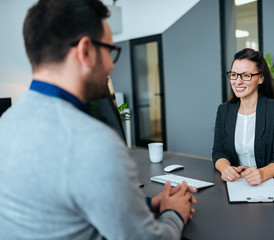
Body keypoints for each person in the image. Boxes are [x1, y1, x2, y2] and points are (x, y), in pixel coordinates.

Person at [0, 0, 196, 239]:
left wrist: (144, 204)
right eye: (109, 51)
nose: (112, 65)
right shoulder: (92, 141)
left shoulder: (6, 122)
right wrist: (174, 214)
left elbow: (59, 210)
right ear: (85, 51)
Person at [212, 48, 274, 186]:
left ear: (260, 78)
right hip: (236, 184)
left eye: (246, 76)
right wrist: (225, 168)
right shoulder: (223, 111)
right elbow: (218, 152)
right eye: (234, 75)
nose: (237, 82)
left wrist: (262, 173)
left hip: (269, 184)